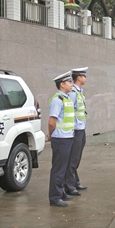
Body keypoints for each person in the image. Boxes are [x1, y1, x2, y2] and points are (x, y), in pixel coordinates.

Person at [47, 71, 75, 207]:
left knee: (64, 167)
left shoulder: (67, 98)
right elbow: (52, 121)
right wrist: (50, 134)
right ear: (62, 84)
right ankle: (55, 197)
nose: (71, 84)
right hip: (60, 138)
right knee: (58, 168)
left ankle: (62, 191)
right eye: (69, 82)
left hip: (68, 137)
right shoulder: (57, 100)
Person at [63, 68, 89, 196]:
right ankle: (69, 186)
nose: (86, 78)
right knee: (73, 159)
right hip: (75, 130)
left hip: (81, 128)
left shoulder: (79, 92)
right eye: (85, 76)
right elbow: (70, 111)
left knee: (76, 157)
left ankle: (75, 181)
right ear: (79, 77)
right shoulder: (73, 92)